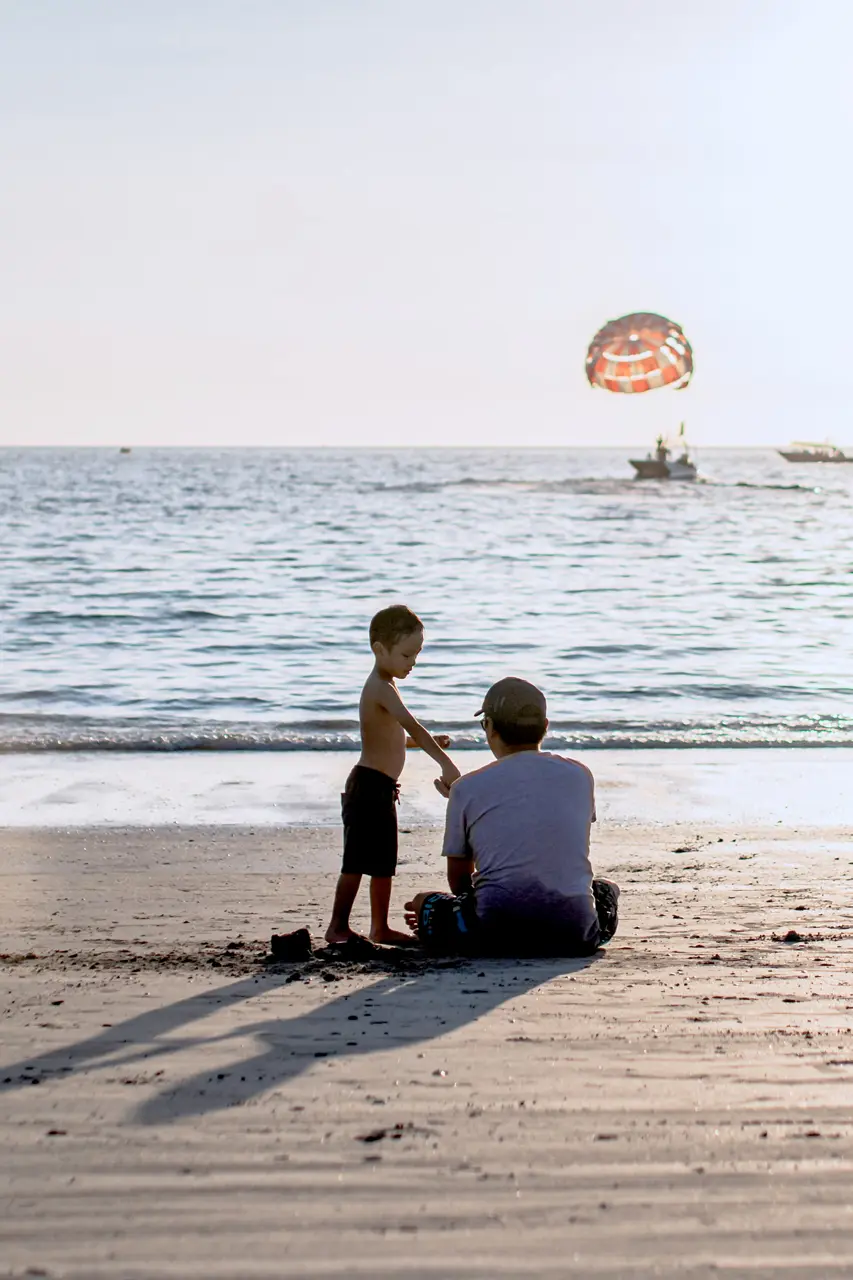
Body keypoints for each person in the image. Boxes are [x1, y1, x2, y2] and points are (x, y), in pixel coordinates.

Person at [404, 677, 619, 956]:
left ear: (490, 727)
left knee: (426, 902)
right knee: (605, 888)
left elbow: (459, 882)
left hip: (493, 936)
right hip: (575, 936)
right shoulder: (580, 774)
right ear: (545, 726)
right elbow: (552, 836)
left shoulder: (466, 788)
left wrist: (459, 803)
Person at [324, 604, 461, 947]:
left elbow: (394, 735)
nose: (412, 662)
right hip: (366, 786)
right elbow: (410, 723)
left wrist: (419, 744)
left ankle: (379, 927)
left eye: (416, 655)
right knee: (356, 861)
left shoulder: (387, 686)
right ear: (379, 649)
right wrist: (445, 763)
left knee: (383, 863)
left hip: (383, 788)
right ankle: (338, 926)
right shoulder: (380, 687)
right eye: (405, 654)